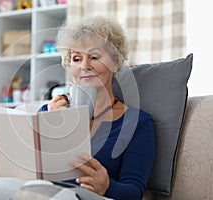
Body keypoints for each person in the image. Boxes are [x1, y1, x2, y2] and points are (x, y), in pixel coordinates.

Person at [38, 16, 155, 200]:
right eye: (77, 58)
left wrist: (107, 186)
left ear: (115, 63)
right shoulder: (50, 112)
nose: (85, 66)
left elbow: (134, 192)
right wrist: (48, 123)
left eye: (94, 57)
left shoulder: (138, 123)